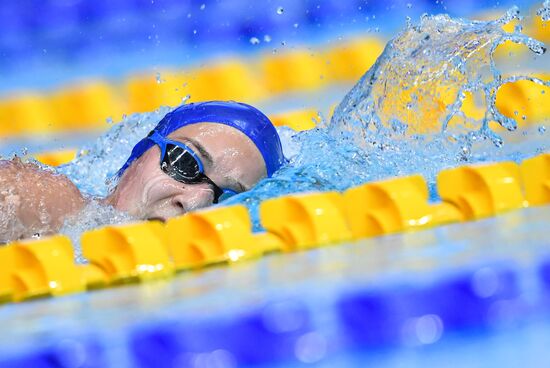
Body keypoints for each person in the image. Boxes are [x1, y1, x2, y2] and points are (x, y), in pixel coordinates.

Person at [0, 101, 285, 243]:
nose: (195, 203)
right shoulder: (47, 204)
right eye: (185, 162)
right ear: (138, 154)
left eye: (224, 199)